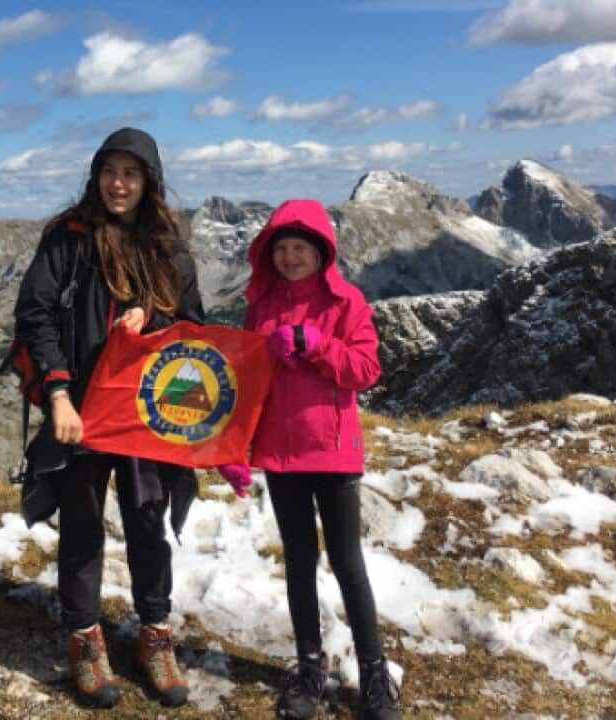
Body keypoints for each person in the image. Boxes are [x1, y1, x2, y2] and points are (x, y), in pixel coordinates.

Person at [13, 128, 203, 709]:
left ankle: (155, 634)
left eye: (131, 174)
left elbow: (193, 328)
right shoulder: (68, 237)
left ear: (149, 181)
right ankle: (85, 639)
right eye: (110, 172)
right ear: (96, 175)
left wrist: (153, 318)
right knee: (82, 525)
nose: (118, 184)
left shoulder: (168, 246)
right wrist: (58, 394)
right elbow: (36, 315)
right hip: (82, 409)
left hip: (146, 415)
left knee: (147, 520)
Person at [218, 199, 401, 719]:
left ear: (322, 252)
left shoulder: (346, 302)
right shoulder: (261, 307)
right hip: (281, 456)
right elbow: (248, 382)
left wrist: (318, 344)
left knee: (347, 563)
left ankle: (374, 673)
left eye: (300, 247)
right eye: (281, 249)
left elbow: (365, 369)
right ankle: (310, 667)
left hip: (333, 453)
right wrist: (235, 448)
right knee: (299, 563)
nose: (290, 257)